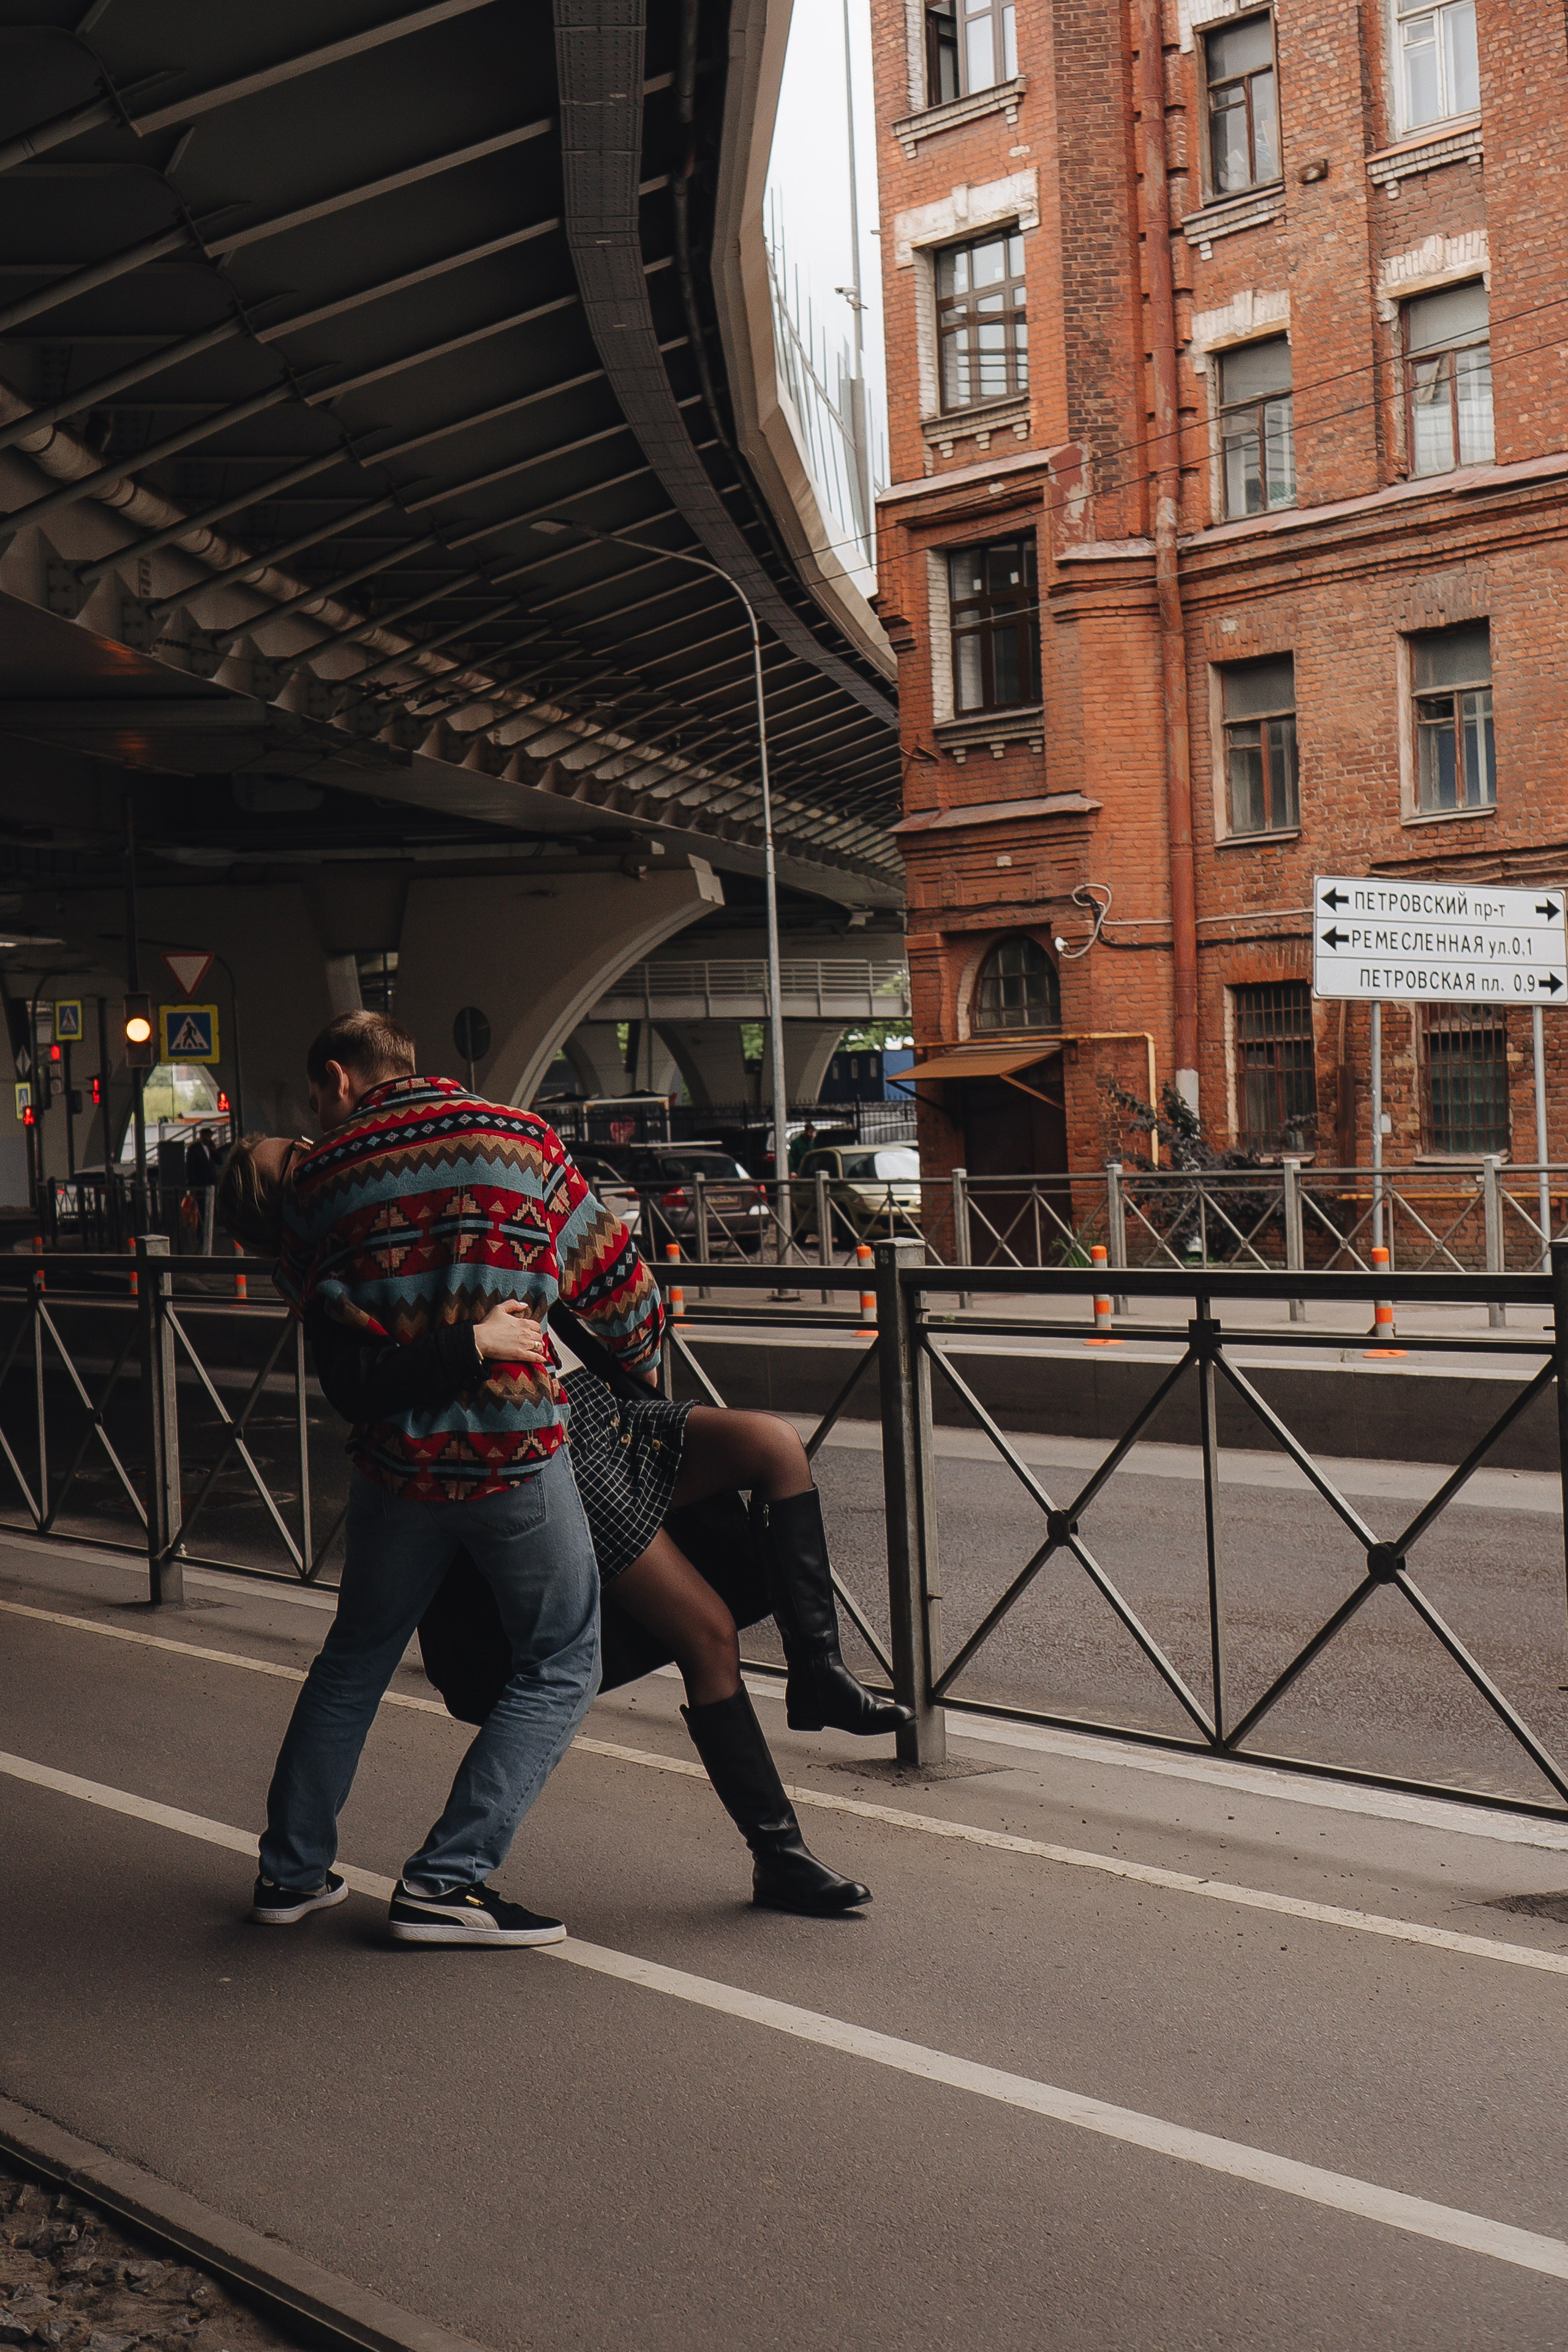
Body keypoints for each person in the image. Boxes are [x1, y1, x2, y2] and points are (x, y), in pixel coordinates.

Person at [222, 1128, 912, 1918]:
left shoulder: (385, 1209)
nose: (319, 1150)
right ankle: (777, 1853)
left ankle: (817, 1671)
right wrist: (477, 1339)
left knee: (774, 1445)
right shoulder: (342, 1256)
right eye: (299, 1158)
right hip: (551, 1448)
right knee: (703, 1635)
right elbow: (374, 1375)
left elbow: (575, 1261)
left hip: (600, 1410)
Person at [230, 1011, 662, 1950]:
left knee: (354, 1663)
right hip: (513, 1459)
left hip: (396, 1468)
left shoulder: (320, 1181)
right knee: (560, 1661)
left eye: (316, 1096)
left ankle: (290, 1872)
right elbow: (622, 1291)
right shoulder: (523, 1141)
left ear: (341, 1079)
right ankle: (445, 1879)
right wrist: (646, 1369)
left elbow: (307, 1301)